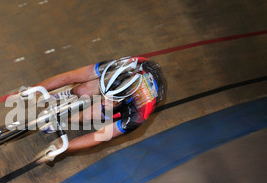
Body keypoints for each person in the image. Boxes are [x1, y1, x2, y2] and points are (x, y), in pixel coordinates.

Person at [29, 56, 166, 154]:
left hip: (138, 98)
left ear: (124, 99)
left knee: (89, 116)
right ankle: (68, 93)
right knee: (82, 90)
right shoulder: (115, 67)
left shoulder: (138, 113)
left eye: (111, 99)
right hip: (133, 70)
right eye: (104, 95)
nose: (103, 101)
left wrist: (63, 148)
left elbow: (98, 137)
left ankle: (63, 118)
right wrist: (34, 89)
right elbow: (70, 76)